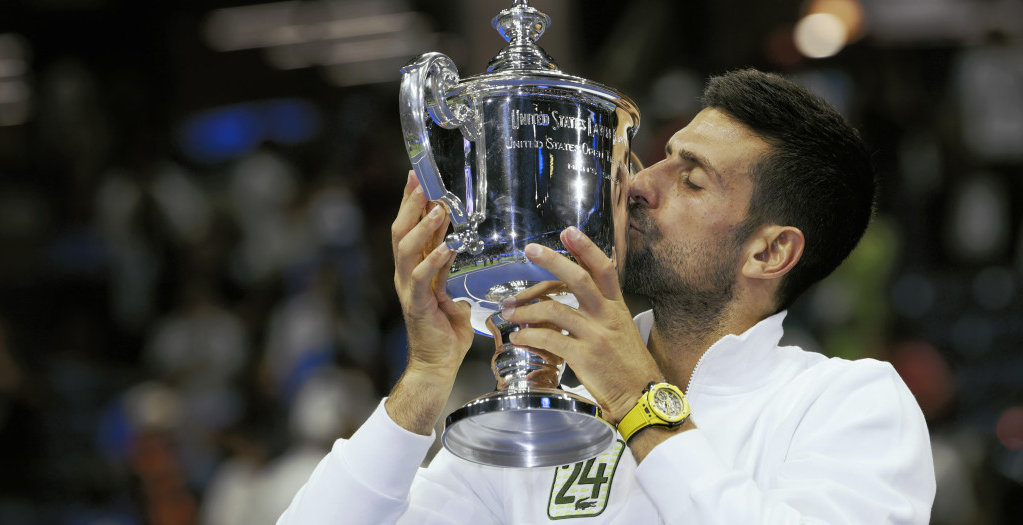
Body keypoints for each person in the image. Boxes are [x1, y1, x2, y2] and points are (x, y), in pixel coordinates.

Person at [279, 69, 935, 524]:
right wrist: (426, 376)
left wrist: (637, 399)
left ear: (769, 252)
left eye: (693, 179)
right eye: (662, 156)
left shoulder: (849, 404)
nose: (642, 183)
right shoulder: (544, 419)